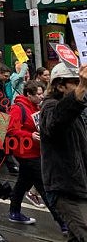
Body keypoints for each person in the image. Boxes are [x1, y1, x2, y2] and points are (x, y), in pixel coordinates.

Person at [6, 80, 67, 234]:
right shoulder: (18, 108)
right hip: (26, 153)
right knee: (44, 186)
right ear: (28, 94)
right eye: (38, 94)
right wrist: (29, 135)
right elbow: (11, 130)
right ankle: (62, 222)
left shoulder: (36, 106)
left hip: (36, 151)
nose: (41, 96)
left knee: (23, 182)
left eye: (42, 93)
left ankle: (14, 212)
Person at [40, 63, 87, 241]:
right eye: (75, 82)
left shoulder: (79, 107)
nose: (81, 86)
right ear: (59, 86)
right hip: (65, 188)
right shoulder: (50, 107)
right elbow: (57, 123)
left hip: (80, 184)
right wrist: (82, 87)